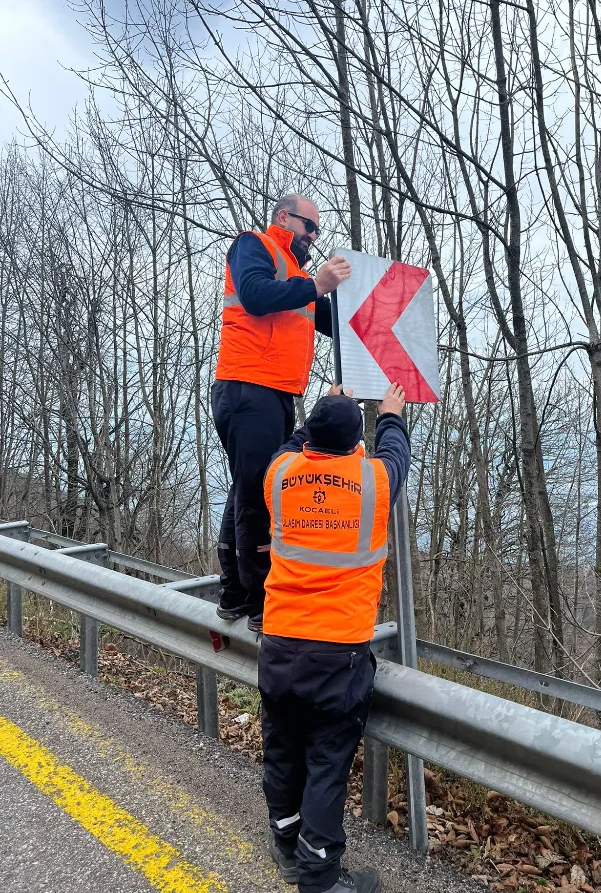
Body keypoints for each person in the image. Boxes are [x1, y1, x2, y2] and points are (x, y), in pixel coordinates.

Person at [259, 382, 410, 893]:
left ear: (310, 439)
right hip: (337, 652)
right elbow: (396, 454)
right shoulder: (373, 482)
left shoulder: (280, 474)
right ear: (355, 444)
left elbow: (289, 445)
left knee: (282, 751)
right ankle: (320, 877)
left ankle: (287, 847)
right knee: (326, 762)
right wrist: (390, 415)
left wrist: (322, 408)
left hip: (279, 643)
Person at [212, 195, 351, 629]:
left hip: (274, 393)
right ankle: (260, 604)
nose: (314, 236)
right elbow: (254, 295)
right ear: (283, 217)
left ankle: (235, 592)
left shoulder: (299, 279)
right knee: (259, 494)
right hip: (248, 385)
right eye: (309, 226)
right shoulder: (253, 245)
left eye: (317, 230)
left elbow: (338, 323)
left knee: (247, 488)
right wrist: (316, 286)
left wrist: (372, 311)